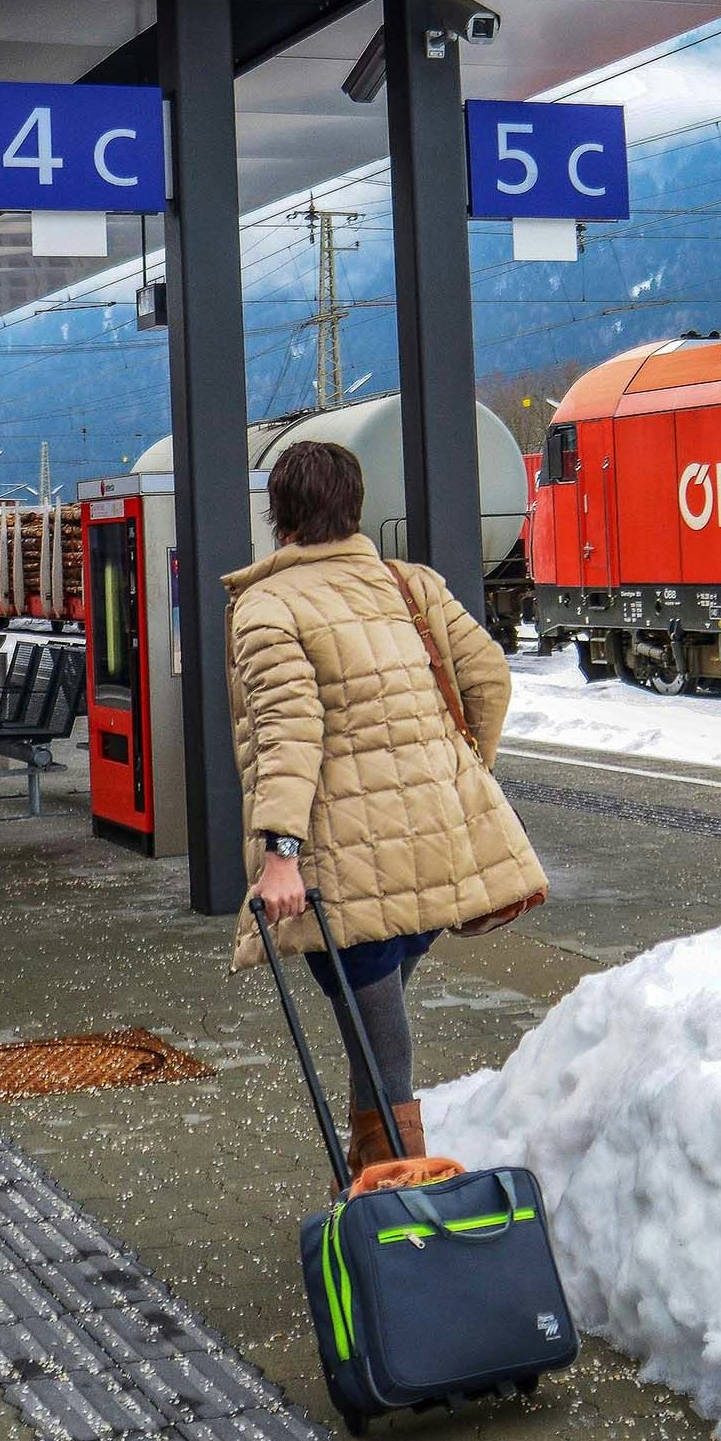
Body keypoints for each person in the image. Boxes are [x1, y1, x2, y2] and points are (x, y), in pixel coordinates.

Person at [226, 441, 546, 1180]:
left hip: (344, 872)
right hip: (433, 850)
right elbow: (489, 677)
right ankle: (374, 1189)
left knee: (383, 1053)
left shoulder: (267, 605)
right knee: (373, 1040)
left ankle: (410, 1210)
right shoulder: (410, 585)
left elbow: (287, 730)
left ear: (278, 516)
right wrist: (456, 774)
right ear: (355, 506)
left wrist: (279, 854)